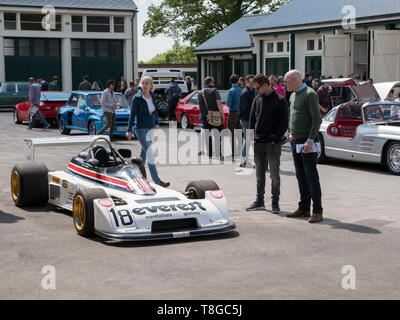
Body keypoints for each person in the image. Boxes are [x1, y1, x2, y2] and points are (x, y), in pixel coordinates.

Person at [284, 70, 323, 224]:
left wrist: (310, 140)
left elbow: (317, 119)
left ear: (294, 80)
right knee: (301, 176)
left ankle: (317, 211)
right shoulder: (293, 95)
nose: (284, 84)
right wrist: (290, 132)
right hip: (296, 141)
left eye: (286, 81)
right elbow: (293, 116)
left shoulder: (310, 94)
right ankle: (304, 208)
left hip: (307, 142)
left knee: (311, 176)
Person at [246, 74, 288, 213]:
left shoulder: (280, 100)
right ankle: (259, 202)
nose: (256, 91)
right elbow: (252, 119)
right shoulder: (257, 99)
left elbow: (284, 123)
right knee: (259, 175)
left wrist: (276, 139)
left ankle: (275, 203)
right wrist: (252, 137)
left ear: (265, 85)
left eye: (257, 88)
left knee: (274, 175)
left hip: (272, 144)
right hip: (258, 142)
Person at [126, 76, 170, 188]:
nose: (144, 85)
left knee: (143, 154)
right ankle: (157, 180)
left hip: (151, 128)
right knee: (150, 153)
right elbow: (132, 115)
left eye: (147, 83)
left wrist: (156, 123)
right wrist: (129, 130)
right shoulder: (137, 98)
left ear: (151, 85)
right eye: (143, 83)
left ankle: (136, 175)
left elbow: (154, 112)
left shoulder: (153, 97)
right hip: (140, 129)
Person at [198, 76, 225, 159]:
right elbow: (219, 103)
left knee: (207, 135)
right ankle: (218, 153)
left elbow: (200, 106)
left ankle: (209, 153)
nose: (214, 83)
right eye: (213, 81)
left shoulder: (200, 92)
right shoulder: (215, 91)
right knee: (217, 135)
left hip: (205, 117)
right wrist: (222, 114)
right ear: (211, 82)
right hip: (215, 116)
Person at [239, 74, 256, 168]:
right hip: (246, 119)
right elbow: (246, 109)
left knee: (249, 139)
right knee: (248, 139)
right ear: (246, 82)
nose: (252, 84)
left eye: (253, 82)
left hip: (248, 118)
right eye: (250, 82)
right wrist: (253, 119)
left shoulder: (252, 91)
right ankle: (243, 160)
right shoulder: (245, 92)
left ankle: (245, 161)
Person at [226, 74, 242, 160]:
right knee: (240, 133)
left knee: (231, 133)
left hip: (233, 113)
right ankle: (241, 150)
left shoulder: (231, 91)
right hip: (240, 113)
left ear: (230, 81)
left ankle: (233, 152)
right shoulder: (241, 90)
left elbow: (229, 103)